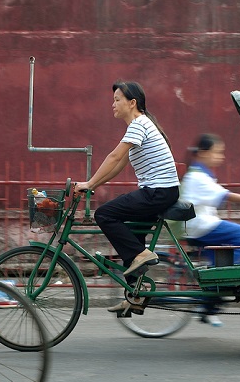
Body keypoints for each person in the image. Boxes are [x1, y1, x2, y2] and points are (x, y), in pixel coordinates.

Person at [75, 81, 180, 315]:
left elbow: (114, 157)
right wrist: (92, 185)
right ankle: (136, 295)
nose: (113, 104)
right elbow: (118, 165)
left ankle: (142, 255)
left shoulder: (138, 124)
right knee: (131, 237)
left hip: (158, 192)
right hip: (160, 191)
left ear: (132, 103)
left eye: (117, 100)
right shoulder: (139, 126)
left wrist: (90, 183)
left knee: (104, 214)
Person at [180, 134, 240, 327]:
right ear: (203, 153)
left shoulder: (201, 174)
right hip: (200, 226)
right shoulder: (198, 176)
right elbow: (227, 196)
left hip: (199, 226)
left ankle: (209, 306)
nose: (221, 157)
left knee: (219, 263)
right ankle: (230, 280)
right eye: (217, 152)